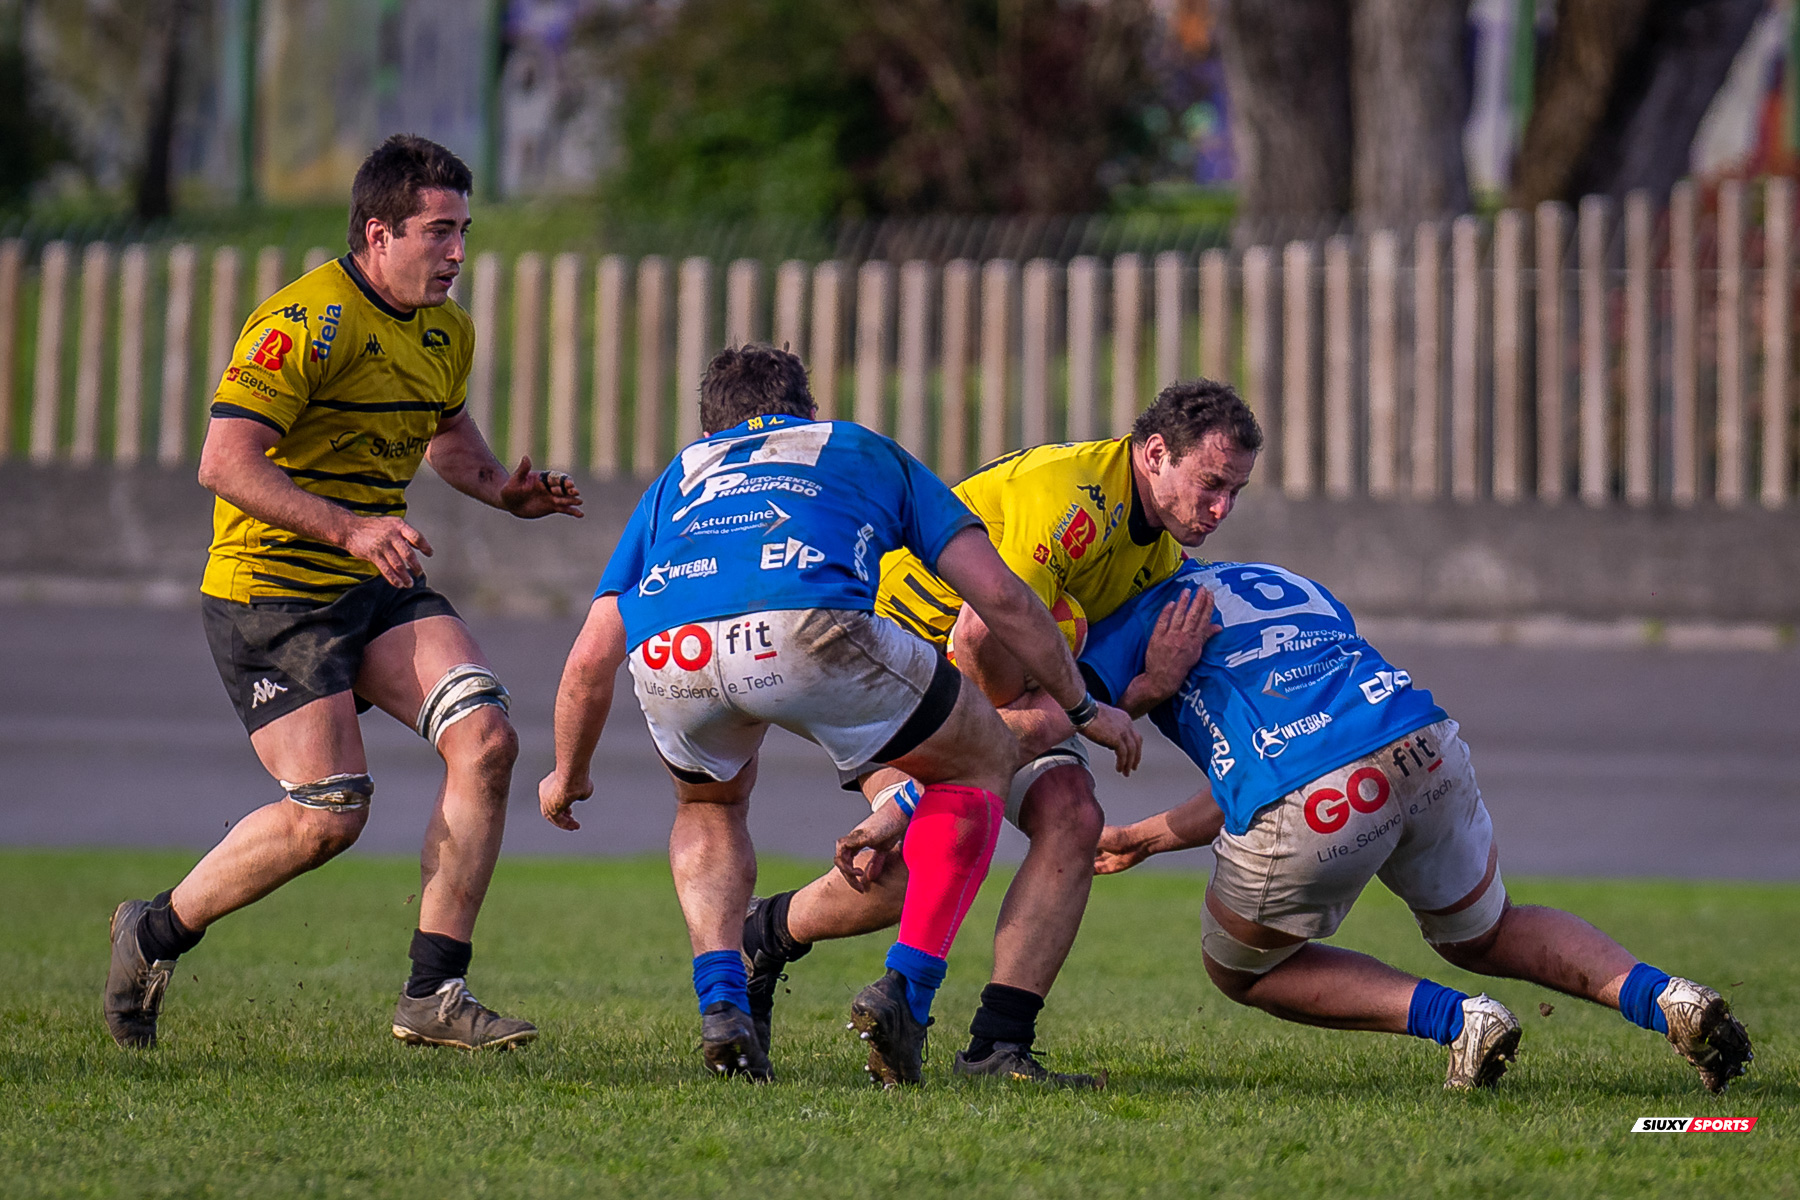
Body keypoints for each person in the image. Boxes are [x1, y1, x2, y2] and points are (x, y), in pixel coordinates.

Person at [536, 344, 1141, 1085]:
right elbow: (1004, 598)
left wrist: (569, 772)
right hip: (808, 624)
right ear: (807, 411)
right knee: (980, 757)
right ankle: (908, 997)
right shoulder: (855, 448)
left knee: (708, 802)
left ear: (710, 428)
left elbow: (593, 654)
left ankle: (722, 1002)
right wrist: (1083, 707)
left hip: (673, 649)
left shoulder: (679, 478)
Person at [103, 135, 583, 1053]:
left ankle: (433, 994)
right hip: (271, 594)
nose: (456, 253)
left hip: (373, 582)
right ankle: (152, 931)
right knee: (331, 815)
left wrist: (500, 489)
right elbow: (223, 462)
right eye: (438, 233)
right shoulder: (303, 323)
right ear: (378, 232)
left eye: (464, 233)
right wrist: (352, 527)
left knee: (486, 739)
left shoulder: (446, 330)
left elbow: (447, 440)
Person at [740, 380, 1260, 1086]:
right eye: (1211, 484)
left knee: (1073, 816)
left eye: (1235, 491)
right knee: (908, 873)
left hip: (990, 682)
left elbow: (1071, 688)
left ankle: (998, 1046)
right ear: (1157, 452)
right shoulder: (1072, 497)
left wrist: (1139, 693)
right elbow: (984, 631)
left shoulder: (1160, 559)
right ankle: (766, 936)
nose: (1221, 508)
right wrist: (1093, 709)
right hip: (892, 658)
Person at [1085, 558, 1755, 1092]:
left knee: (1244, 971)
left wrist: (1135, 693)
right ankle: (1668, 995)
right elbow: (1289, 751)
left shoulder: (1122, 620)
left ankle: (1460, 1019)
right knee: (1487, 930)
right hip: (1420, 741)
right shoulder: (1273, 578)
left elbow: (1058, 713)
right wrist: (1146, 839)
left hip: (1317, 797)